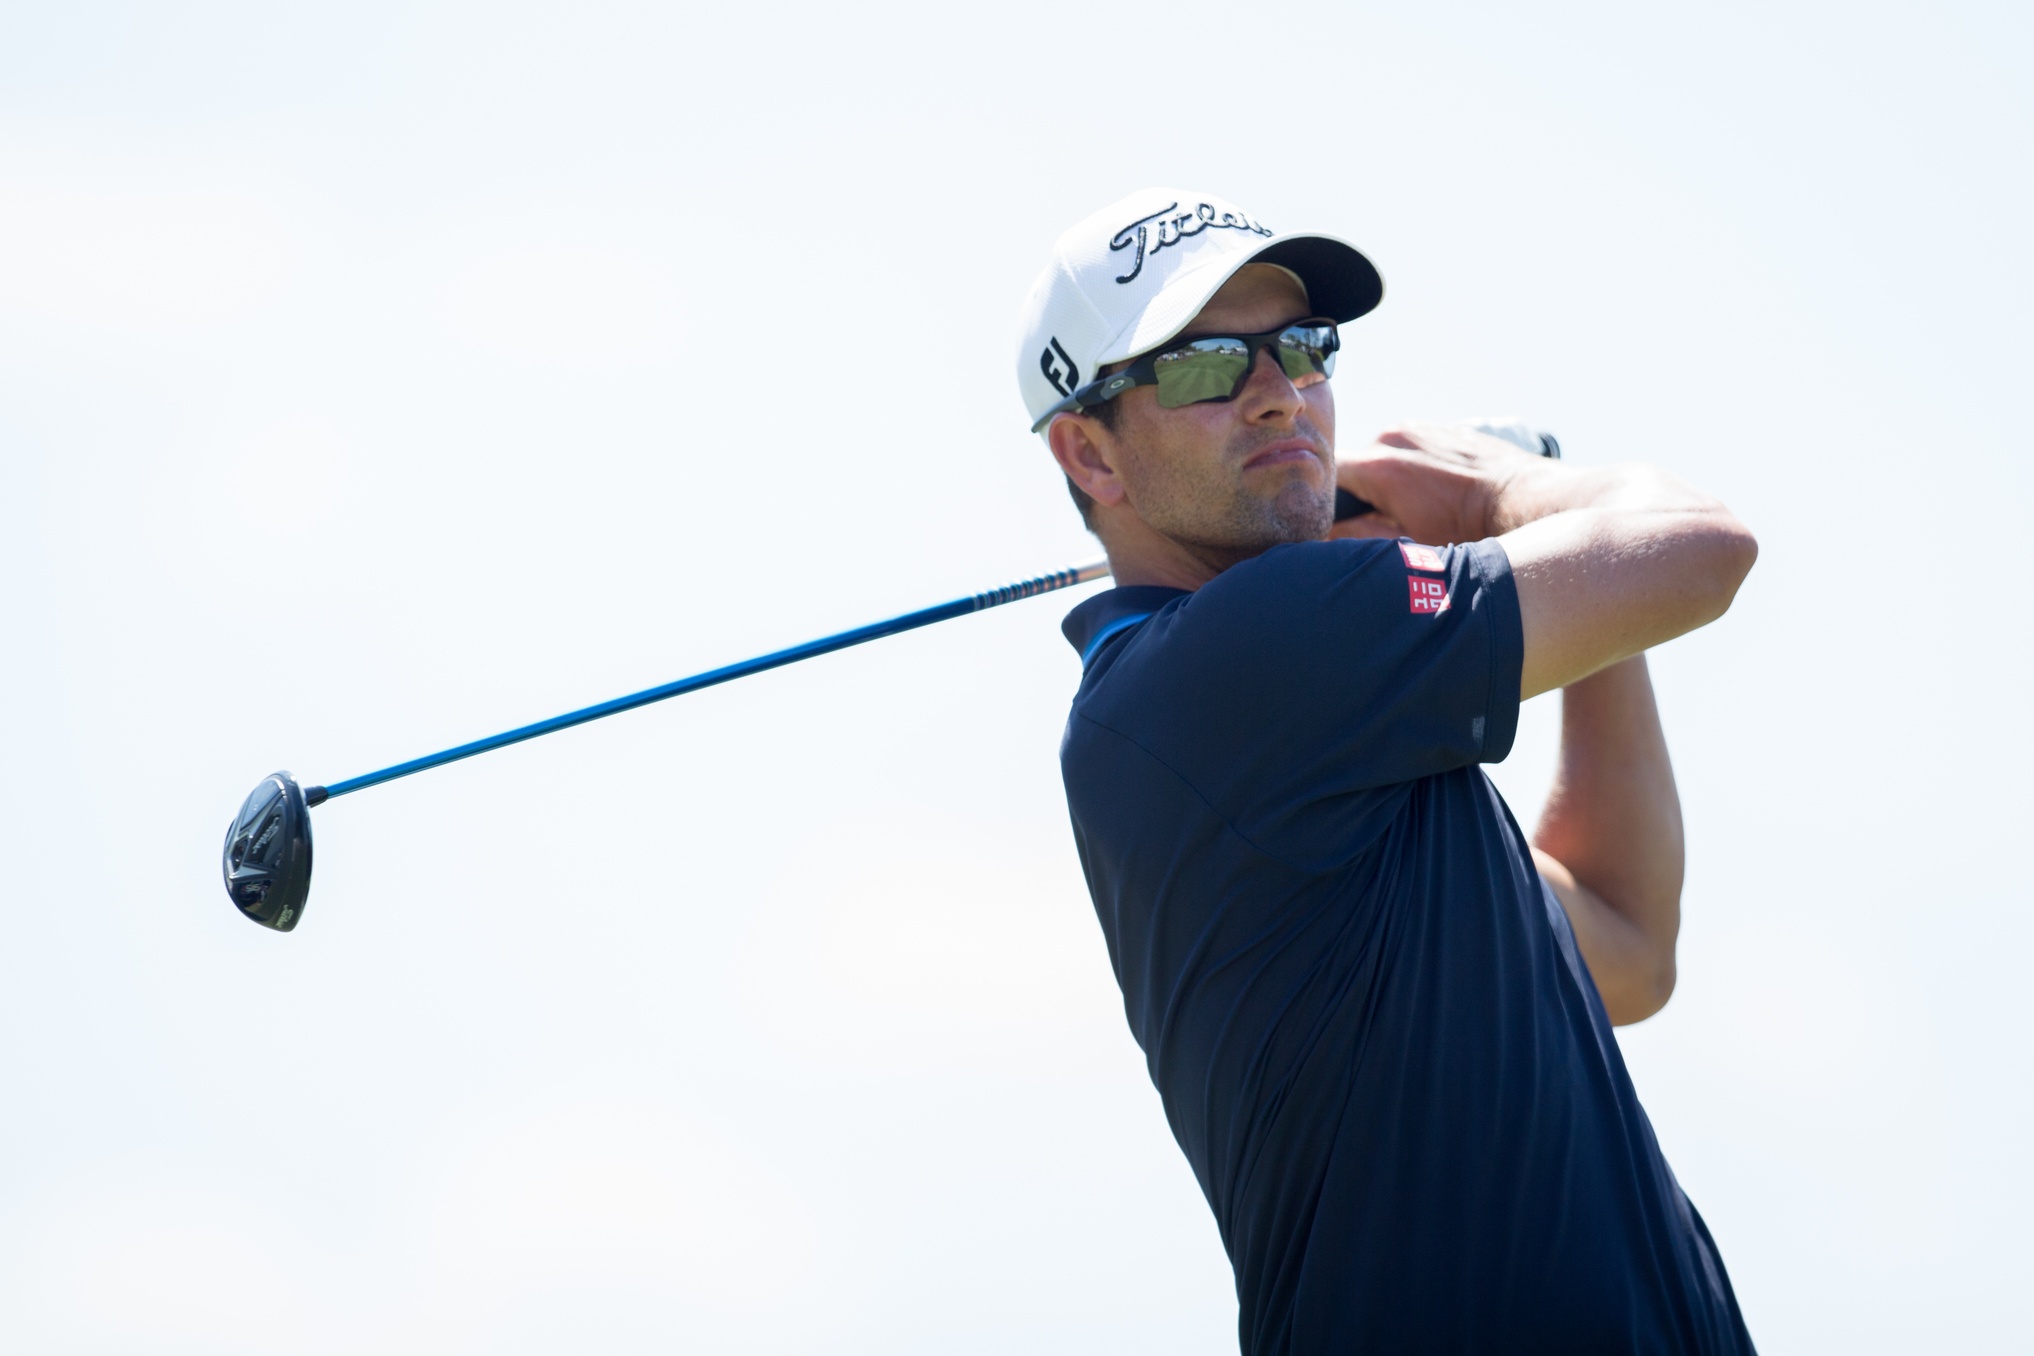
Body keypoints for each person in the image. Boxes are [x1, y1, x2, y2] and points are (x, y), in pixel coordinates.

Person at [1016, 189, 1760, 1354]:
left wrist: (1535, 589)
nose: (1280, 393)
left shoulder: (1314, 720)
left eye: (1303, 350)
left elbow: (1622, 940)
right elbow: (1703, 548)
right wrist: (1495, 493)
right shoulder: (1248, 647)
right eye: (1209, 367)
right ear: (1088, 453)